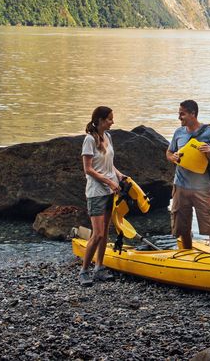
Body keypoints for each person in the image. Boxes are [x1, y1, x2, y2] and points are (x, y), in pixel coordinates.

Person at [165, 99, 210, 256]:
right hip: (180, 186)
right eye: (179, 114)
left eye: (182, 114)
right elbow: (168, 153)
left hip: (202, 187)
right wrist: (172, 157)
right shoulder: (178, 133)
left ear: (192, 114)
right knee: (183, 227)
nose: (179, 117)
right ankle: (187, 257)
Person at [80, 105, 125, 286]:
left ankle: (99, 268)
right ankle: (84, 271)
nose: (112, 122)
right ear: (99, 120)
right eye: (109, 119)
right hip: (96, 192)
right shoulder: (89, 140)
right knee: (97, 234)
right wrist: (109, 181)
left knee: (105, 232)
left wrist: (119, 175)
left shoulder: (108, 137)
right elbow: (88, 169)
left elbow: (109, 164)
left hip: (110, 191)